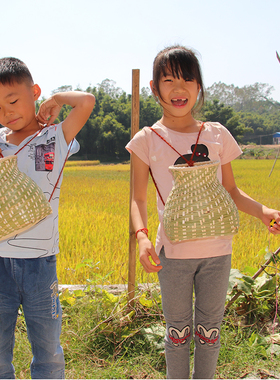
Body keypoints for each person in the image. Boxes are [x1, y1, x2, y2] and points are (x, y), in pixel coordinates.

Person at [126, 45, 280, 379]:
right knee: (177, 332)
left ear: (199, 86)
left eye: (187, 79)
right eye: (168, 80)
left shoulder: (216, 133)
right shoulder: (147, 140)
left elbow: (232, 191)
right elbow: (137, 199)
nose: (178, 89)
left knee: (209, 332)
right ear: (154, 88)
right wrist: (141, 238)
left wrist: (264, 210)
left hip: (217, 252)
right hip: (174, 254)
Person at [0, 57, 95, 379]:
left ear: (34, 92)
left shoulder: (55, 138)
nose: (7, 112)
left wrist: (55, 100)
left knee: (49, 352)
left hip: (41, 264)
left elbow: (86, 102)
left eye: (13, 100)